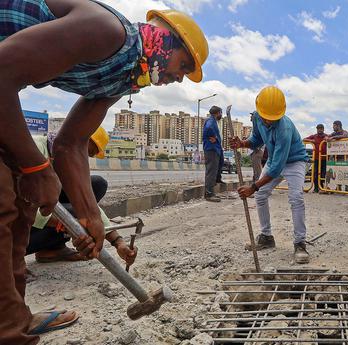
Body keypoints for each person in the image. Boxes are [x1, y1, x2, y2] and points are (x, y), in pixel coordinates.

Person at [0, 1, 208, 343]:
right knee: (2, 203)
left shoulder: (123, 78)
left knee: (21, 207)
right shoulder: (107, 31)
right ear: (164, 40)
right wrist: (38, 168)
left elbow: (71, 144)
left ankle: (12, 318)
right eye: (182, 65)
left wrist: (90, 218)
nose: (178, 77)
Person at [28, 129, 137, 266]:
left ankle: (52, 249)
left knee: (96, 185)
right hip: (10, 227)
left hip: (36, 217)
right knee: (76, 214)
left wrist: (118, 242)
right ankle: (10, 257)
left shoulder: (63, 160)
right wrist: (68, 224)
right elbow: (20, 206)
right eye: (83, 153)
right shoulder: (34, 150)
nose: (82, 161)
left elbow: (89, 207)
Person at [231, 86, 310, 264]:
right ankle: (266, 237)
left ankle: (300, 243)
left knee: (296, 198)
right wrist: (243, 143)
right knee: (260, 196)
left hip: (295, 161)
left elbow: (276, 169)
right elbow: (257, 139)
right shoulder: (258, 117)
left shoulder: (285, 128)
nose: (267, 121)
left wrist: (253, 186)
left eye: (271, 119)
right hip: (275, 159)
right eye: (265, 117)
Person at [203, 105, 224, 202]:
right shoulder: (211, 121)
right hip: (211, 149)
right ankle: (209, 194)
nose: (221, 115)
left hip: (215, 149)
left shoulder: (213, 121)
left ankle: (211, 191)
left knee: (214, 170)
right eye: (221, 113)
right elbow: (208, 128)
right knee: (211, 171)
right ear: (218, 113)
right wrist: (213, 136)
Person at [303, 124, 328, 192]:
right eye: (318, 128)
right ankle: (316, 188)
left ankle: (322, 187)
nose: (319, 130)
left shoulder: (326, 136)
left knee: (323, 173)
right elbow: (304, 139)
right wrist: (311, 141)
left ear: (323, 129)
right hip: (316, 159)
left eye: (321, 128)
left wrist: (328, 139)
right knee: (315, 173)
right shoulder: (314, 136)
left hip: (324, 158)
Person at [248, 113, 264, 183]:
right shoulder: (254, 127)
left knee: (257, 171)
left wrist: (257, 147)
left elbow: (263, 138)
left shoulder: (259, 127)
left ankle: (258, 187)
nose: (251, 117)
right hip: (253, 151)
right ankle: (255, 185)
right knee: (255, 170)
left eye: (252, 115)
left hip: (256, 151)